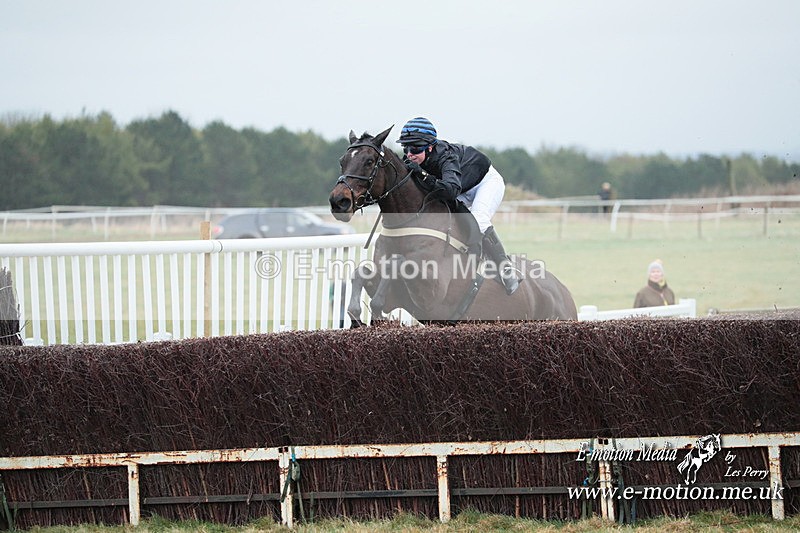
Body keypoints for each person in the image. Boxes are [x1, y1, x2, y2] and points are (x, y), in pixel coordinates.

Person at [396, 117, 519, 295]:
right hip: (460, 187)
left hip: (484, 184)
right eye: (406, 148)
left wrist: (422, 174)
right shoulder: (414, 159)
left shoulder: (446, 156)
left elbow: (451, 190)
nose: (409, 154)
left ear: (430, 147)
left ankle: (506, 268)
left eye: (415, 148)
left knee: (478, 220)